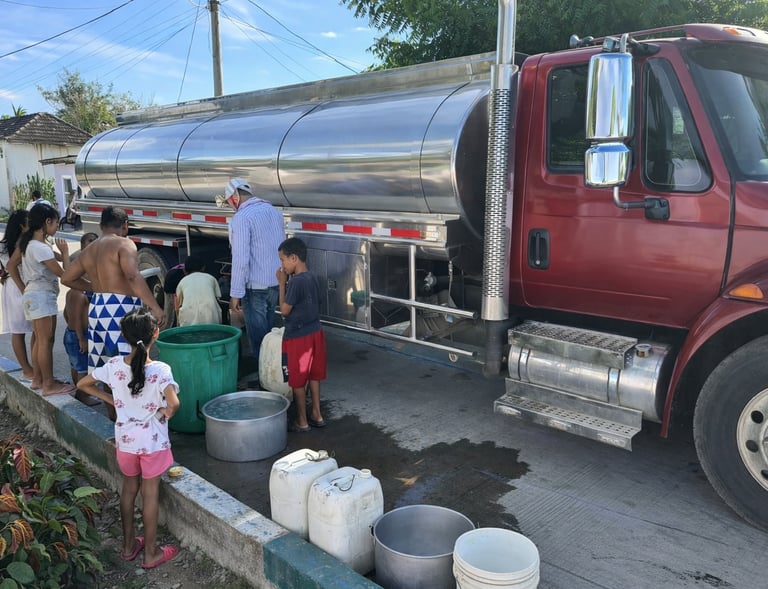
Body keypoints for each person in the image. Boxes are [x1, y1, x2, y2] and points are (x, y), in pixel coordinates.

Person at [76, 308, 180, 569]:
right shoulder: (161, 370)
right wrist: (164, 413)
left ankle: (128, 546)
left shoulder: (113, 366)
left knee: (129, 489)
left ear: (124, 336)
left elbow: (82, 384)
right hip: (152, 443)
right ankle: (152, 553)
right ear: (156, 333)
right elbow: (174, 403)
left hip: (126, 441)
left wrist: (111, 399)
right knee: (150, 494)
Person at [61, 207, 165, 372]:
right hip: (120, 307)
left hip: (96, 308)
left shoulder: (90, 249)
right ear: (125, 225)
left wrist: (93, 287)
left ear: (101, 226)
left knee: (100, 367)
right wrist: (155, 307)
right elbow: (132, 276)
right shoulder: (124, 244)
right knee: (128, 364)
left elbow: (67, 277)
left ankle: (104, 390)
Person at [8, 205, 90, 395]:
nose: (57, 228)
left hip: (35, 296)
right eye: (56, 223)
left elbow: (11, 265)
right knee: (45, 341)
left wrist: (24, 288)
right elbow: (66, 275)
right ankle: (48, 384)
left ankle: (39, 379)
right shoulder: (39, 248)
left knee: (41, 339)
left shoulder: (30, 244)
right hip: (41, 296)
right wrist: (66, 252)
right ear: (47, 222)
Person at [225, 178, 285, 369]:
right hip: (274, 282)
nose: (231, 206)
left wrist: (235, 293)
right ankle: (275, 372)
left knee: (259, 338)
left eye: (229, 202)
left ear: (235, 197)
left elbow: (241, 258)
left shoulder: (242, 218)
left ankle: (264, 376)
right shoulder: (273, 211)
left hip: (255, 286)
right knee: (269, 333)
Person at [276, 237, 326, 432]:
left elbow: (284, 311)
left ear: (294, 258)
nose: (282, 265)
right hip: (315, 332)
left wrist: (282, 284)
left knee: (297, 380)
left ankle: (302, 421)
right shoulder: (312, 276)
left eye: (283, 260)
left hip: (298, 337)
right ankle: (317, 414)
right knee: (314, 375)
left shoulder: (295, 282)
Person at [63, 233, 99, 406]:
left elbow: (66, 314)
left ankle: (79, 390)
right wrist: (81, 338)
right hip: (78, 335)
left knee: (76, 365)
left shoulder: (72, 293)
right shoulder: (79, 294)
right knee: (83, 368)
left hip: (71, 333)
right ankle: (82, 395)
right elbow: (76, 318)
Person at [0, 209, 34, 379]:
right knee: (37, 329)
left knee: (18, 331)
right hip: (21, 286)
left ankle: (28, 369)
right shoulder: (24, 243)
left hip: (10, 287)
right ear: (22, 226)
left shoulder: (3, 245)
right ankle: (30, 369)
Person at [175, 254, 222, 326]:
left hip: (189, 323)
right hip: (212, 320)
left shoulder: (182, 282)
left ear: (185, 270)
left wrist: (178, 322)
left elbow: (178, 304)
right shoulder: (211, 278)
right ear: (203, 268)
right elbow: (218, 298)